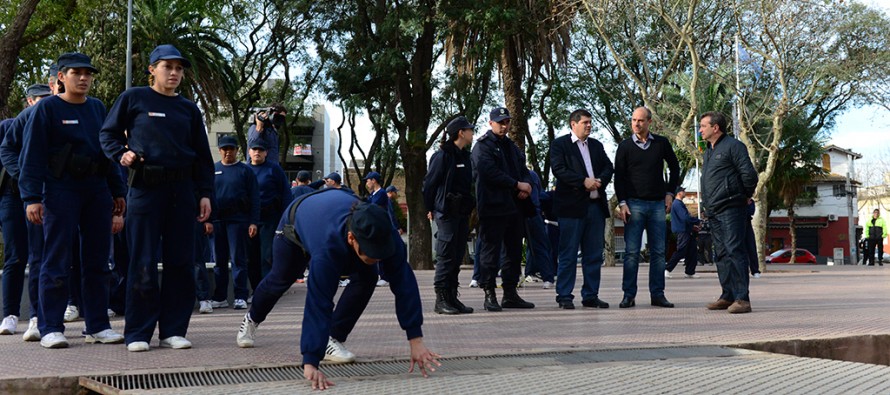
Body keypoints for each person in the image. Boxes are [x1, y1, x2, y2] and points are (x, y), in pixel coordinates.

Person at [235, 189, 440, 390]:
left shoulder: (385, 233)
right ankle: (252, 319)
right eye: (371, 253)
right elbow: (319, 302)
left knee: (367, 276)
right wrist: (310, 362)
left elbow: (404, 284)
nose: (377, 258)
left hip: (334, 212)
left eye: (380, 253)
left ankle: (332, 338)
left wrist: (416, 339)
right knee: (281, 278)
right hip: (295, 223)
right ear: (352, 239)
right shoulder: (328, 249)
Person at [100, 44, 215, 351]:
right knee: (143, 261)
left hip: (183, 192)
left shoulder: (189, 109)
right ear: (152, 69)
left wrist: (205, 194)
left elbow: (203, 158)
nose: (174, 73)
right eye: (168, 67)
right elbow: (107, 135)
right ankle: (137, 333)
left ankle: (173, 330)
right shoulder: (133, 98)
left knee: (181, 262)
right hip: (145, 190)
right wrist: (121, 154)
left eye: (179, 68)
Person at [20, 52, 127, 348]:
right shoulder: (47, 109)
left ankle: (97, 325)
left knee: (97, 261)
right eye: (76, 73)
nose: (83, 78)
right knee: (56, 259)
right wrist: (31, 197)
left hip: (96, 191)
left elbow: (108, 152)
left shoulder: (97, 108)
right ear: (60, 78)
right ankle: (51, 326)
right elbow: (32, 156)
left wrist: (118, 193)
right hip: (59, 191)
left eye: (88, 73)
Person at [1, 73, 59, 342]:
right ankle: (10, 314)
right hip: (13, 198)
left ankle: (37, 316)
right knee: (15, 256)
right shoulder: (11, 125)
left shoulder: (54, 123)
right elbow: (7, 153)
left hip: (42, 197)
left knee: (39, 256)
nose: (45, 105)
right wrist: (24, 177)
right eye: (40, 100)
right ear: (29, 101)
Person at [614, 107, 679, 309]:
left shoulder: (661, 143)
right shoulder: (624, 146)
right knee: (632, 252)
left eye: (641, 120)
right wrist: (622, 202)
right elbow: (619, 177)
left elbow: (675, 167)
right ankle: (628, 295)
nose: (636, 124)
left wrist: (670, 194)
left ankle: (658, 294)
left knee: (659, 252)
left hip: (658, 204)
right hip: (633, 205)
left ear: (649, 122)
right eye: (633, 120)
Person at [471, 107, 535, 311]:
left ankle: (510, 293)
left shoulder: (511, 146)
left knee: (514, 252)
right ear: (491, 123)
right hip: (493, 207)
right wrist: (517, 185)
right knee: (490, 252)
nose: (504, 126)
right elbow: (489, 172)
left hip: (515, 206)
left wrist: (526, 185)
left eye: (507, 122)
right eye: (500, 122)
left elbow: (523, 169)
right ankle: (489, 293)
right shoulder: (482, 146)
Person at [549, 109, 614, 310]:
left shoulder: (596, 145)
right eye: (585, 122)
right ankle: (565, 295)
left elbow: (608, 166)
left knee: (594, 255)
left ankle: (590, 295)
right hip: (571, 208)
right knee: (568, 254)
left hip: (595, 207)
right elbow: (559, 170)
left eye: (590, 122)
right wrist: (582, 182)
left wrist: (600, 181)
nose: (588, 125)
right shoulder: (560, 145)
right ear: (573, 124)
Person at [699, 111, 758, 314]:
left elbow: (749, 175)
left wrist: (745, 195)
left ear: (715, 128)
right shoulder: (708, 150)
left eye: (703, 126)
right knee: (722, 254)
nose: (700, 130)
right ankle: (728, 295)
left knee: (735, 250)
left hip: (732, 208)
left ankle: (742, 298)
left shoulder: (734, 146)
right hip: (714, 211)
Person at [423, 116, 476, 314]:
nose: (472, 132)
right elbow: (429, 185)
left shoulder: (465, 156)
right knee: (445, 256)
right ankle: (441, 299)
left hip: (461, 212)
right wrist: (430, 209)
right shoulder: (442, 156)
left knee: (456, 256)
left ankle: (452, 297)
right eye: (469, 129)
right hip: (445, 212)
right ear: (460, 132)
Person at [210, 135, 260, 310]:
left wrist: (253, 222)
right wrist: (207, 220)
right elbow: (206, 195)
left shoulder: (246, 171)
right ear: (220, 150)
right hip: (217, 221)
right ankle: (220, 296)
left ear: (237, 151)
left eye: (231, 148)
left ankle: (240, 296)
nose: (228, 152)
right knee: (219, 261)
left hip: (238, 221)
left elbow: (255, 198)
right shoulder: (213, 169)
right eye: (225, 149)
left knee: (239, 259)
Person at [247, 140, 292, 293]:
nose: (257, 152)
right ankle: (255, 289)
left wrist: (286, 218)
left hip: (270, 219)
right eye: (254, 149)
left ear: (266, 152)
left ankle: (266, 291)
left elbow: (286, 193)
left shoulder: (274, 169)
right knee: (250, 257)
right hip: (248, 220)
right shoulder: (244, 170)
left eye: (261, 149)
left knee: (266, 256)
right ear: (249, 152)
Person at [522, 169, 555, 289]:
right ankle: (548, 277)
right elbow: (541, 194)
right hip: (532, 212)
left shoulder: (530, 175)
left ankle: (547, 276)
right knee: (540, 247)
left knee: (539, 246)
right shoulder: (533, 175)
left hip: (531, 213)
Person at [665, 187, 701, 279]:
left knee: (692, 251)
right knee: (681, 251)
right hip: (682, 231)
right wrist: (697, 221)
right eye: (683, 191)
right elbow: (684, 218)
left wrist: (692, 226)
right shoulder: (677, 204)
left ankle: (690, 271)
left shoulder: (679, 204)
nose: (684, 192)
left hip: (687, 230)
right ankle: (667, 269)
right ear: (678, 193)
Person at [744, 199, 761, 277]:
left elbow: (751, 212)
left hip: (747, 224)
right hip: (735, 224)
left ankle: (755, 270)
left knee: (751, 248)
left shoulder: (750, 201)